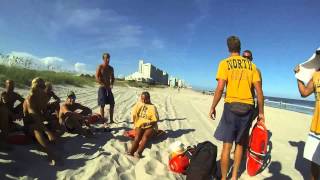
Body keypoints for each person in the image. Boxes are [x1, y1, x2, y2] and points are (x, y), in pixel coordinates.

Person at [209, 36, 264, 180]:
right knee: (240, 144)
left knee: (227, 146)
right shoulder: (252, 66)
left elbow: (220, 88)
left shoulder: (224, 63)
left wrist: (213, 107)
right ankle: (234, 177)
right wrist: (261, 113)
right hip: (248, 108)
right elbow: (259, 91)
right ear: (239, 48)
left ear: (228, 48)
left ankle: (223, 178)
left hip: (231, 107)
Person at [23, 77, 58, 165]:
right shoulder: (30, 99)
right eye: (41, 86)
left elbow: (43, 113)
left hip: (39, 122)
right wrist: (47, 131)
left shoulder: (42, 97)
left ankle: (48, 139)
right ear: (35, 87)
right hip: (29, 126)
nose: (43, 88)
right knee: (37, 128)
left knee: (54, 121)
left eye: (43, 86)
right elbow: (34, 117)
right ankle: (50, 154)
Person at [294, 62, 320, 180]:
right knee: (315, 162)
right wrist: (298, 77)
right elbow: (304, 92)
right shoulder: (316, 75)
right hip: (317, 126)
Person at [127, 91, 159, 158]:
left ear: (149, 98)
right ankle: (131, 151)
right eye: (142, 99)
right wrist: (136, 123)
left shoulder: (152, 107)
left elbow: (155, 120)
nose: (143, 100)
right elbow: (134, 114)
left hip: (151, 126)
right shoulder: (138, 104)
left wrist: (148, 123)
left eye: (145, 99)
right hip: (140, 124)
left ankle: (139, 152)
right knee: (137, 137)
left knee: (145, 137)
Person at [96, 52, 115, 126]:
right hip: (102, 88)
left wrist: (111, 84)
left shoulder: (111, 68)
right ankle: (102, 119)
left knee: (112, 103)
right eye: (106, 58)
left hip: (109, 88)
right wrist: (102, 84)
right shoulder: (100, 67)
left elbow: (113, 78)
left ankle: (112, 120)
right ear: (103, 59)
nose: (108, 59)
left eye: (109, 58)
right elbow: (97, 77)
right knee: (102, 104)